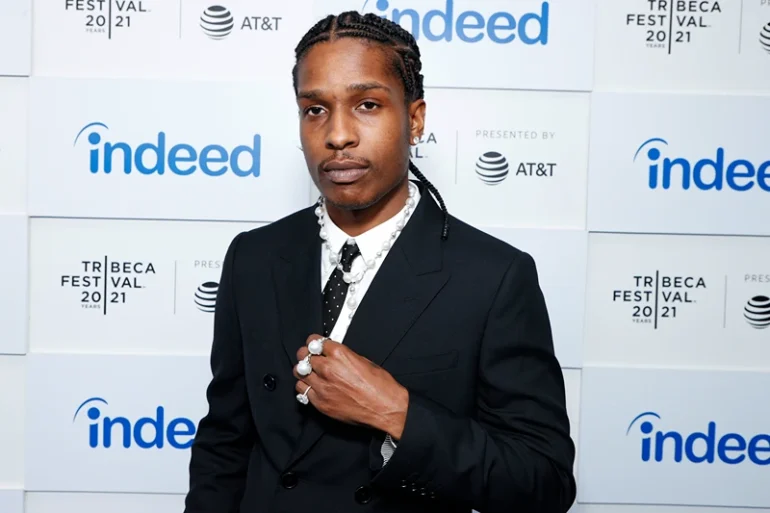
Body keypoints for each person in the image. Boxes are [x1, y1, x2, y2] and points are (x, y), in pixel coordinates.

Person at [184, 10, 576, 513]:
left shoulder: (493, 277)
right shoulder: (254, 258)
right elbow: (224, 445)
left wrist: (397, 413)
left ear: (414, 119)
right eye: (315, 109)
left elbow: (542, 481)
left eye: (366, 104)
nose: (338, 134)